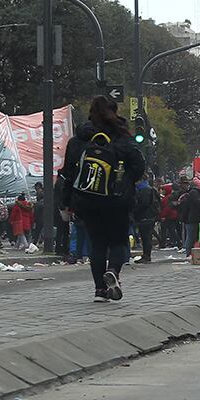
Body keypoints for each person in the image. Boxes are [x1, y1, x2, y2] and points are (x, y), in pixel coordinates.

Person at [60, 95, 145, 302]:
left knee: (97, 244)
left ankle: (100, 290)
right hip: (116, 200)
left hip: (87, 200)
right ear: (114, 112)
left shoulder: (78, 140)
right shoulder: (122, 138)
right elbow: (139, 167)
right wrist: (124, 183)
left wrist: (66, 202)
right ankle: (113, 270)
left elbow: (68, 174)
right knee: (118, 241)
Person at [131, 177, 160, 263]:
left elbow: (144, 203)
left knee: (146, 237)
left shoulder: (145, 190)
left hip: (146, 216)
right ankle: (146, 255)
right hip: (147, 216)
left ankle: (147, 256)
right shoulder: (147, 188)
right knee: (146, 237)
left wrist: (135, 211)